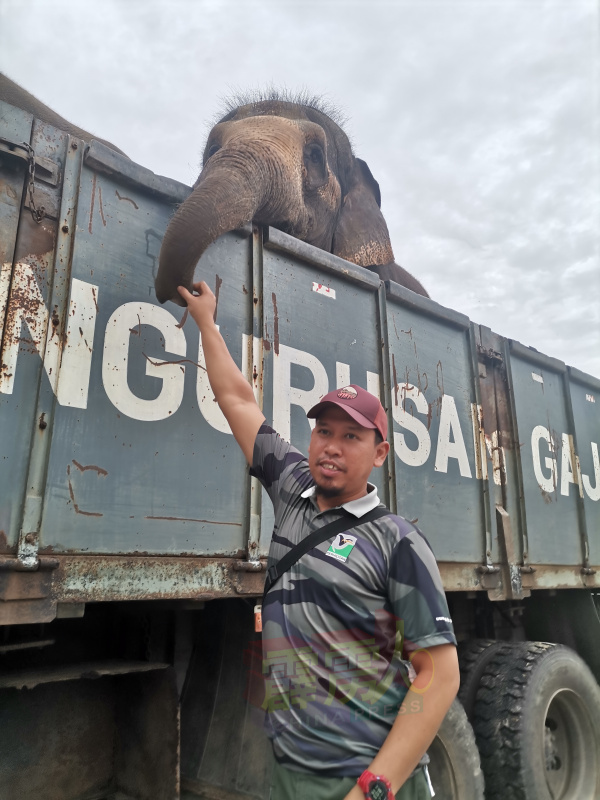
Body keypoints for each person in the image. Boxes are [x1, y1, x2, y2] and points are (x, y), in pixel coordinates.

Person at [179, 281, 459, 800]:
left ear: (379, 453)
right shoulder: (292, 489)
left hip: (362, 778)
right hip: (291, 773)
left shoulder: (397, 542)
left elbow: (438, 677)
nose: (331, 447)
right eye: (323, 432)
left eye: (350, 436)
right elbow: (236, 398)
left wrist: (376, 785)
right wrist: (206, 322)